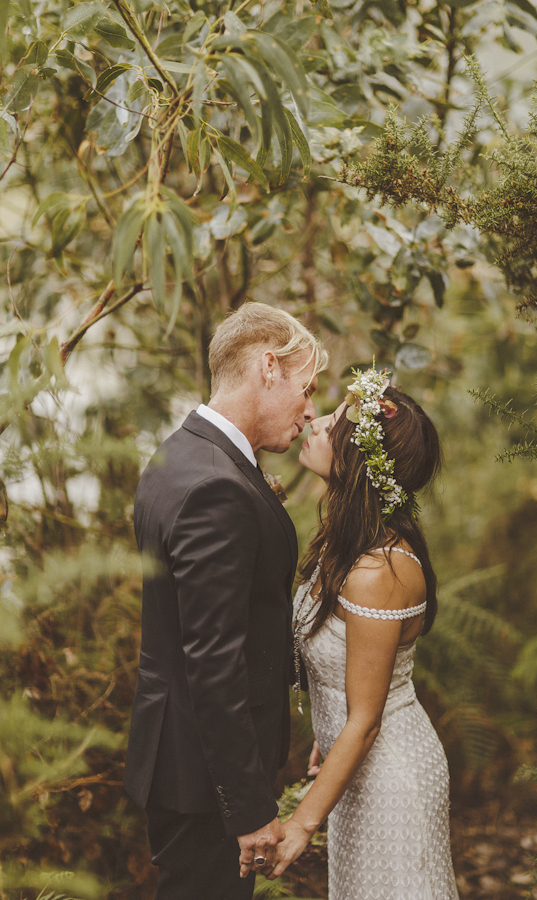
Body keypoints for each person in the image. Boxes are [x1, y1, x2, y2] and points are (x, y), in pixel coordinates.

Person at [123, 302, 328, 900]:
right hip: (205, 780)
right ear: (270, 367)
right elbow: (213, 661)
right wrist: (247, 808)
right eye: (306, 387)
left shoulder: (175, 455)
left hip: (184, 762)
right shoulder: (217, 484)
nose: (310, 408)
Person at [250, 367, 460, 899]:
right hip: (353, 774)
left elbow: (366, 719)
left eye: (333, 425)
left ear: (357, 460)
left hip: (392, 780)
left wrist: (300, 823)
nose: (315, 424)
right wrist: (326, 734)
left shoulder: (378, 573)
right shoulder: (343, 548)